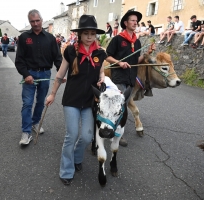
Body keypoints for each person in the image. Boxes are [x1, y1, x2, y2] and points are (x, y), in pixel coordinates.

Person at [45, 15, 106, 185]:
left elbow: (101, 71)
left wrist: (101, 79)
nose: (89, 37)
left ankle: (77, 158)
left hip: (89, 101)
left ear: (95, 35)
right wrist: (52, 94)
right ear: (80, 34)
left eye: (92, 34)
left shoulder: (100, 53)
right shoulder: (70, 51)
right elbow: (59, 75)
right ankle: (66, 170)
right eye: (85, 33)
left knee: (87, 136)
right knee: (72, 135)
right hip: (71, 100)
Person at [105, 10, 155, 147]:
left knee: (124, 106)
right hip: (119, 77)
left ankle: (116, 130)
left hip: (131, 78)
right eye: (132, 20)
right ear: (125, 23)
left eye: (136, 21)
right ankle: (116, 133)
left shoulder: (137, 42)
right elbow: (107, 56)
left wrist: (147, 54)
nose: (135, 22)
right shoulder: (118, 39)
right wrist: (119, 63)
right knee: (120, 106)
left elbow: (136, 60)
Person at [15, 9, 62, 145]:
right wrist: (26, 74)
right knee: (27, 104)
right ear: (29, 22)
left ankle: (35, 123)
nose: (35, 24)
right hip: (29, 75)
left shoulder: (50, 38)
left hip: (45, 74)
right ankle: (26, 132)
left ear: (42, 20)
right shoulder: (24, 38)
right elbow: (19, 60)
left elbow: (57, 58)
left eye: (37, 20)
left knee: (41, 102)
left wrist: (61, 74)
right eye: (32, 21)